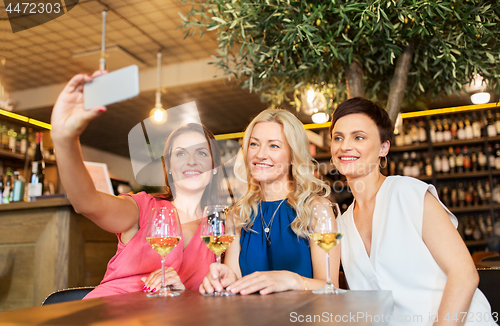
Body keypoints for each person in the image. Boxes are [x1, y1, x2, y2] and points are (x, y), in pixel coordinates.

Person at [50, 72, 222, 298]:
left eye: (201, 152)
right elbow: (87, 202)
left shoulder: (220, 231)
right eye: (181, 154)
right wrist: (65, 140)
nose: (191, 161)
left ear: (215, 167)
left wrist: (184, 295)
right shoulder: (144, 207)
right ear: (168, 166)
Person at [330, 97, 495, 325]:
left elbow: (464, 274)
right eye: (338, 138)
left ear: (383, 147)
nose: (345, 146)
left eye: (358, 137)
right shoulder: (342, 224)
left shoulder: (407, 192)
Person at [200, 108, 340, 295]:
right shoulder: (238, 215)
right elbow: (235, 280)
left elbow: (331, 287)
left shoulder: (316, 209)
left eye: (274, 146)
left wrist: (293, 280)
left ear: (292, 155)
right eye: (254, 144)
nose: (260, 155)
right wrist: (226, 279)